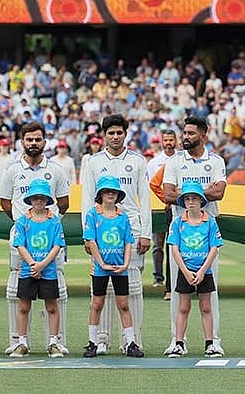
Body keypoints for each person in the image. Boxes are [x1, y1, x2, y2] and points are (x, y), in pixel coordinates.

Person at [78, 114, 151, 355]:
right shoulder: (93, 162)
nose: (115, 136)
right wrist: (87, 237)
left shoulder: (138, 161)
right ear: (104, 135)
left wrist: (145, 233)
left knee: (131, 288)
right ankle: (100, 339)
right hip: (100, 230)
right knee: (101, 289)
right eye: (111, 133)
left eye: (119, 132)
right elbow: (87, 198)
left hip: (130, 228)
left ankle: (132, 339)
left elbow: (145, 199)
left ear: (125, 134)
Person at [0, 122, 71, 354]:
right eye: (29, 139)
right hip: (22, 240)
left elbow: (63, 202)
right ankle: (19, 341)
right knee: (18, 294)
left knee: (55, 294)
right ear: (22, 141)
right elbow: (5, 202)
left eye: (37, 139)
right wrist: (25, 223)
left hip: (49, 241)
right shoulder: (12, 170)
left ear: (44, 141)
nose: (33, 143)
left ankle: (56, 341)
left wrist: (46, 223)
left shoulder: (57, 170)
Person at [159, 117, 226, 355]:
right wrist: (198, 192)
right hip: (181, 228)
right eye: (184, 133)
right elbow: (167, 194)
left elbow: (219, 192)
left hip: (207, 229)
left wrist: (188, 191)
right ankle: (177, 341)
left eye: (190, 133)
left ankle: (213, 341)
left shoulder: (216, 161)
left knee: (210, 293)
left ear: (203, 135)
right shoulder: (175, 161)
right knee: (179, 294)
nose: (185, 137)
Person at [82, 175, 139, 358]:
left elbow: (128, 241)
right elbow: (90, 240)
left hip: (119, 267)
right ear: (100, 194)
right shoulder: (93, 214)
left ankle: (131, 342)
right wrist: (101, 262)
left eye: (113, 192)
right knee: (97, 303)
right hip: (100, 267)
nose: (110, 195)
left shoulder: (122, 216)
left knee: (123, 304)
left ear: (118, 195)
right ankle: (92, 342)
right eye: (106, 191)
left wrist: (126, 263)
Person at [9, 179, 66, 358]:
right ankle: (22, 343)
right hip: (27, 270)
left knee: (51, 307)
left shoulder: (54, 221)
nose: (38, 201)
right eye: (35, 198)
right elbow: (19, 245)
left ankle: (53, 342)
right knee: (24, 306)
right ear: (30, 199)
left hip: (48, 270)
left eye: (42, 198)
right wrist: (33, 264)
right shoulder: (23, 220)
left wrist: (42, 265)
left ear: (47, 199)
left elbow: (57, 246)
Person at [166, 181, 223, 358]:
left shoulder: (210, 221)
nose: (191, 202)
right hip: (185, 271)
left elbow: (214, 248)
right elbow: (174, 248)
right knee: (183, 308)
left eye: (195, 198)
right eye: (188, 198)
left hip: (204, 272)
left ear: (201, 201)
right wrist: (185, 271)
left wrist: (201, 271)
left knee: (206, 307)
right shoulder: (177, 222)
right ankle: (179, 343)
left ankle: (210, 343)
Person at [146, 129, 177, 290]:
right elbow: (151, 185)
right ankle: (158, 277)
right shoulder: (154, 163)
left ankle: (175, 278)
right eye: (166, 140)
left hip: (176, 208)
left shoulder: (181, 159)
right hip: (160, 209)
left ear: (176, 141)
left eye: (171, 140)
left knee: (174, 244)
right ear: (162, 142)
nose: (169, 143)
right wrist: (165, 199)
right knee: (158, 244)